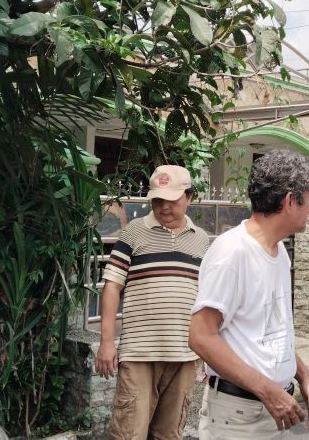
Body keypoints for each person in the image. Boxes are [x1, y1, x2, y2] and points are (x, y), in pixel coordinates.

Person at [189, 149, 309, 439]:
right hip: (238, 417)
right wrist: (268, 391)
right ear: (290, 200)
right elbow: (201, 336)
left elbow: (272, 332)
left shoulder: (279, 253)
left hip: (272, 410)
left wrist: (304, 376)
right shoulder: (232, 252)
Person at [96, 165, 210, 440]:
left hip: (184, 355)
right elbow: (112, 286)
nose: (164, 206)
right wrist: (107, 342)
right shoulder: (134, 232)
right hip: (139, 354)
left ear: (189, 197)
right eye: (158, 199)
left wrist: (208, 355)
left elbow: (208, 301)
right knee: (128, 433)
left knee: (169, 434)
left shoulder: (202, 241)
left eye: (172, 199)